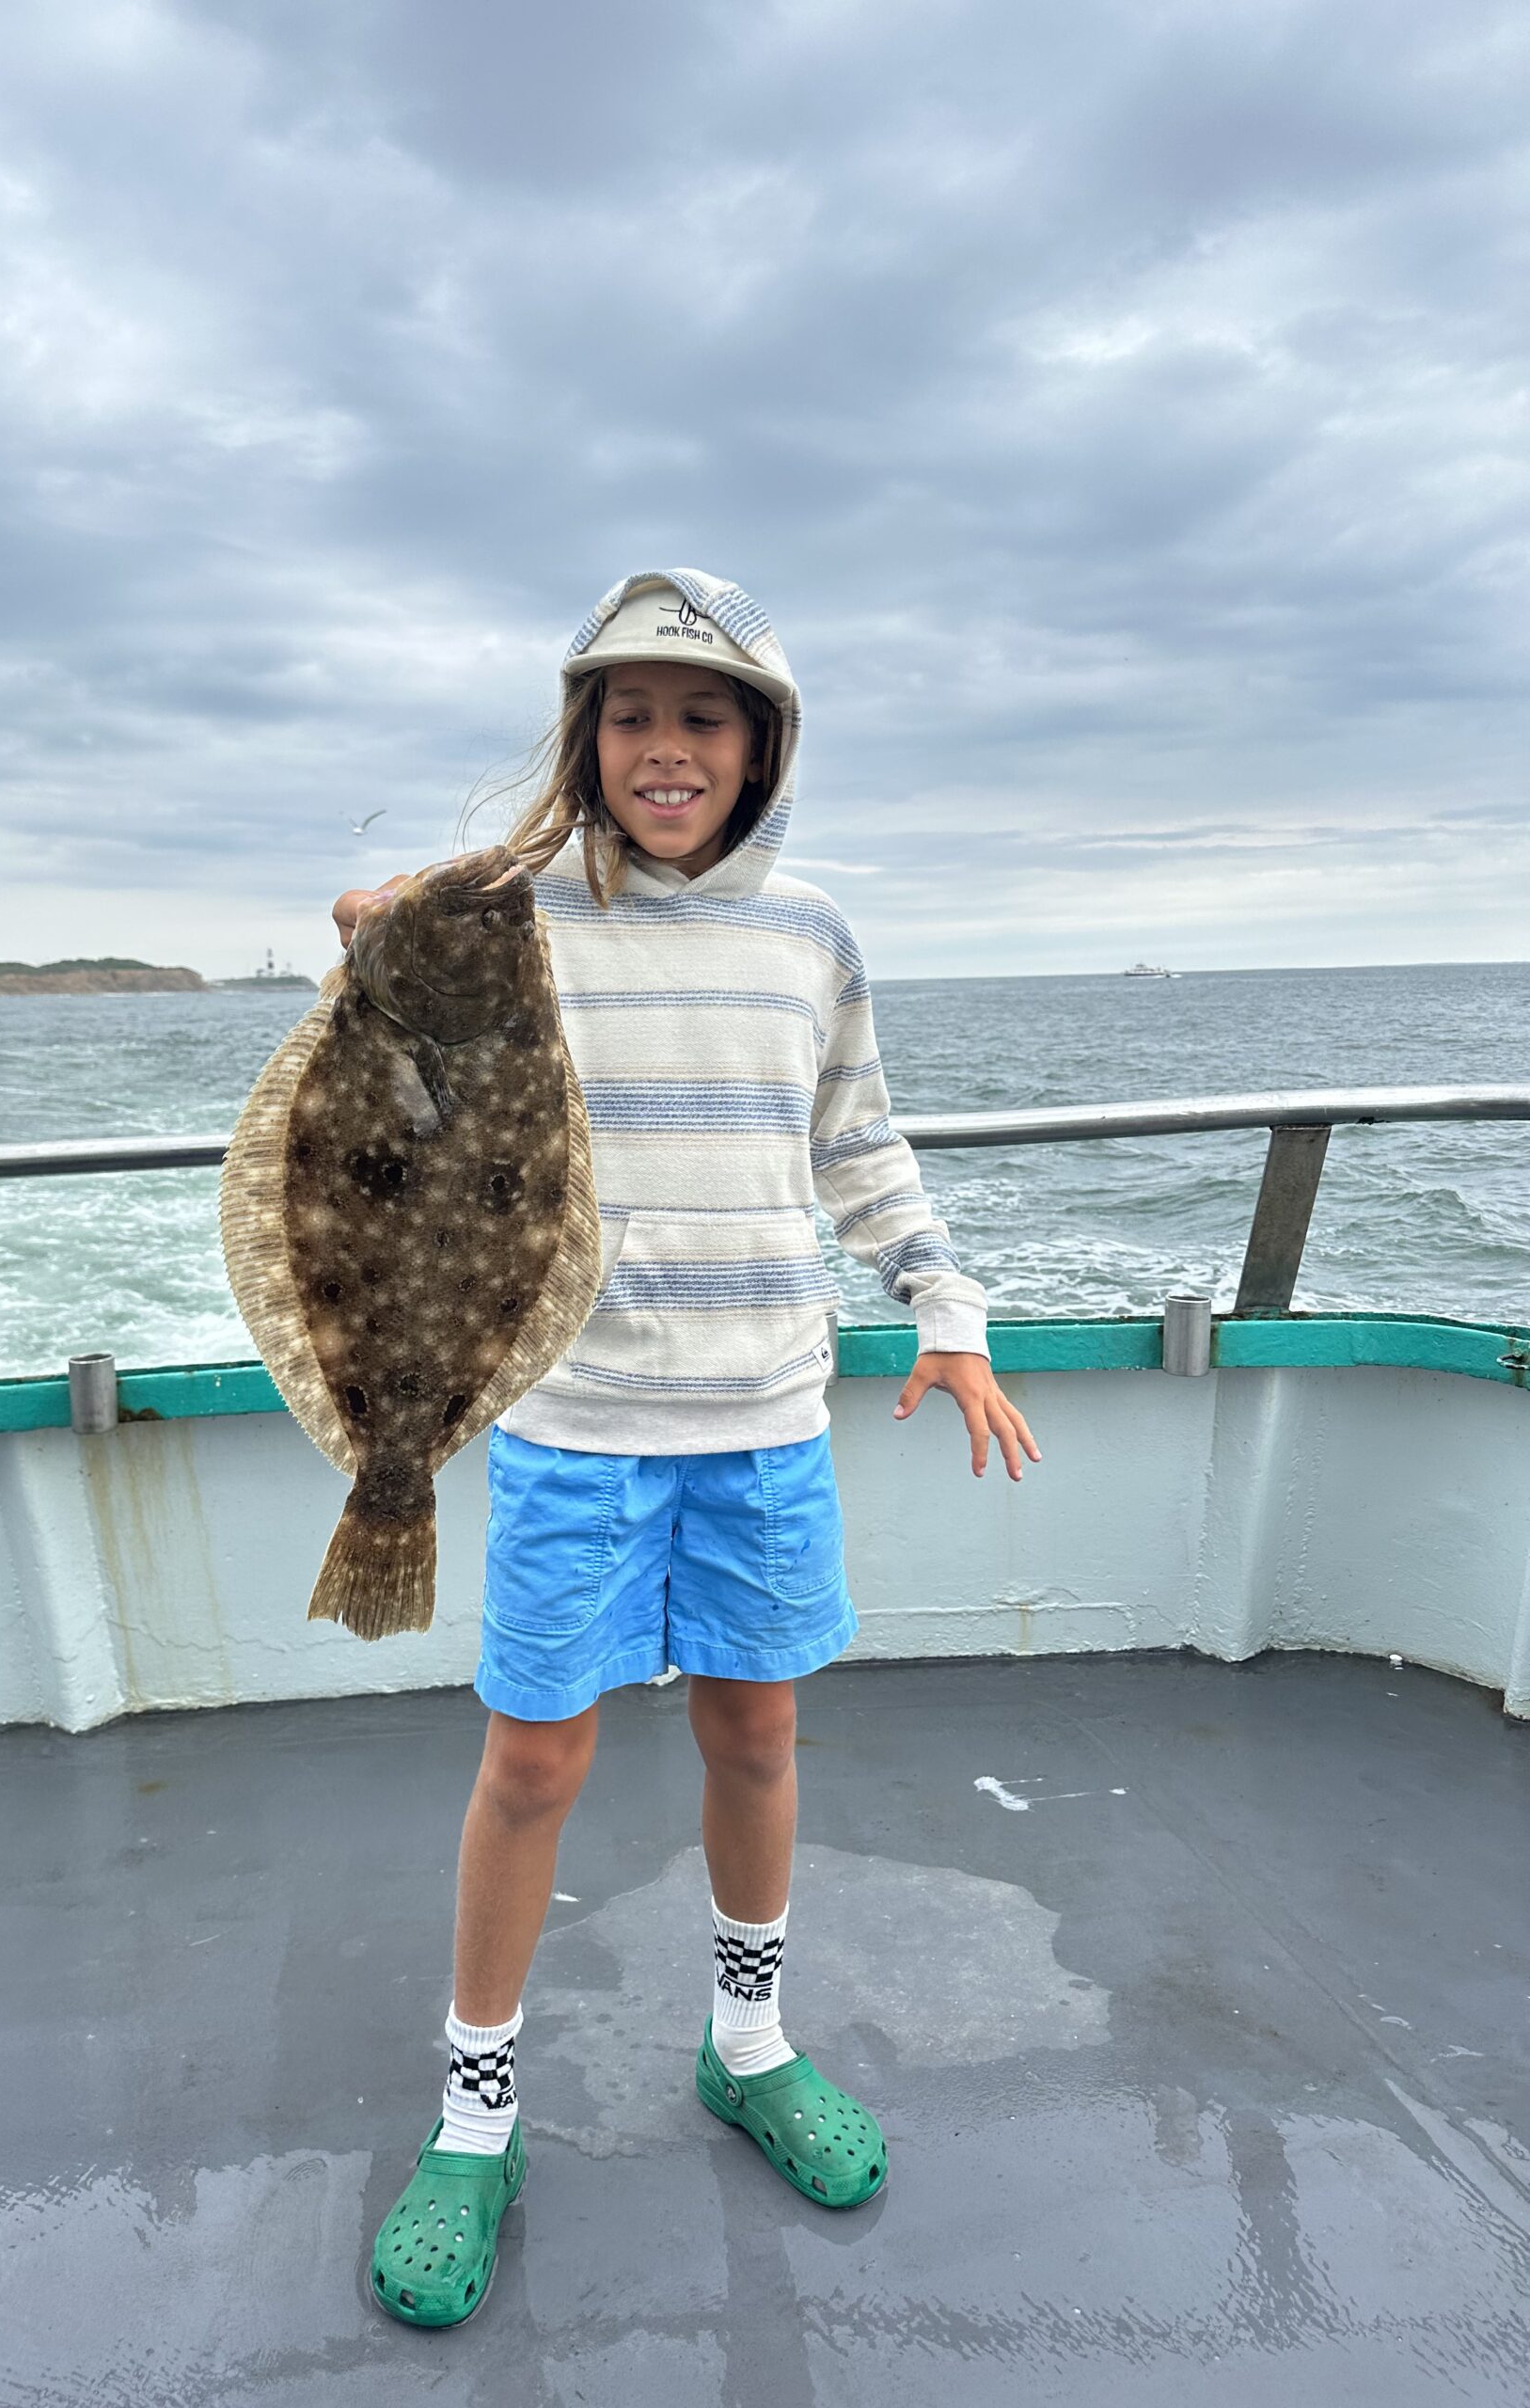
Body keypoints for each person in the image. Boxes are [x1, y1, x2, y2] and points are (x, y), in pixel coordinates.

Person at [333, 568, 1039, 2329]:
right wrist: (394, 918)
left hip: (764, 1419)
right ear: (586, 741)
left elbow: (856, 1140)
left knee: (758, 1736)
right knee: (532, 1767)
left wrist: (944, 1308)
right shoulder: (520, 916)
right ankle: (475, 2116)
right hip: (572, 1418)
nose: (667, 749)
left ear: (760, 746)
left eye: (702, 718)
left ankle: (749, 2042)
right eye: (632, 716)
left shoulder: (812, 935)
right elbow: (376, 986)